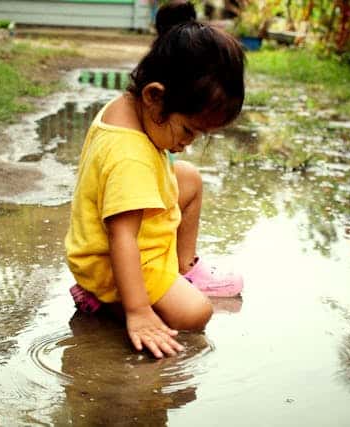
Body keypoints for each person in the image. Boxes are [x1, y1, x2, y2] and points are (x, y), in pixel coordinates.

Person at [65, 0, 245, 359]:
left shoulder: (131, 107)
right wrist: (139, 312)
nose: (187, 144)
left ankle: (183, 268)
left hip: (135, 231)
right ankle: (106, 300)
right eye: (188, 131)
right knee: (196, 314)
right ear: (154, 97)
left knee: (189, 180)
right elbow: (122, 237)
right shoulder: (129, 157)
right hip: (114, 259)